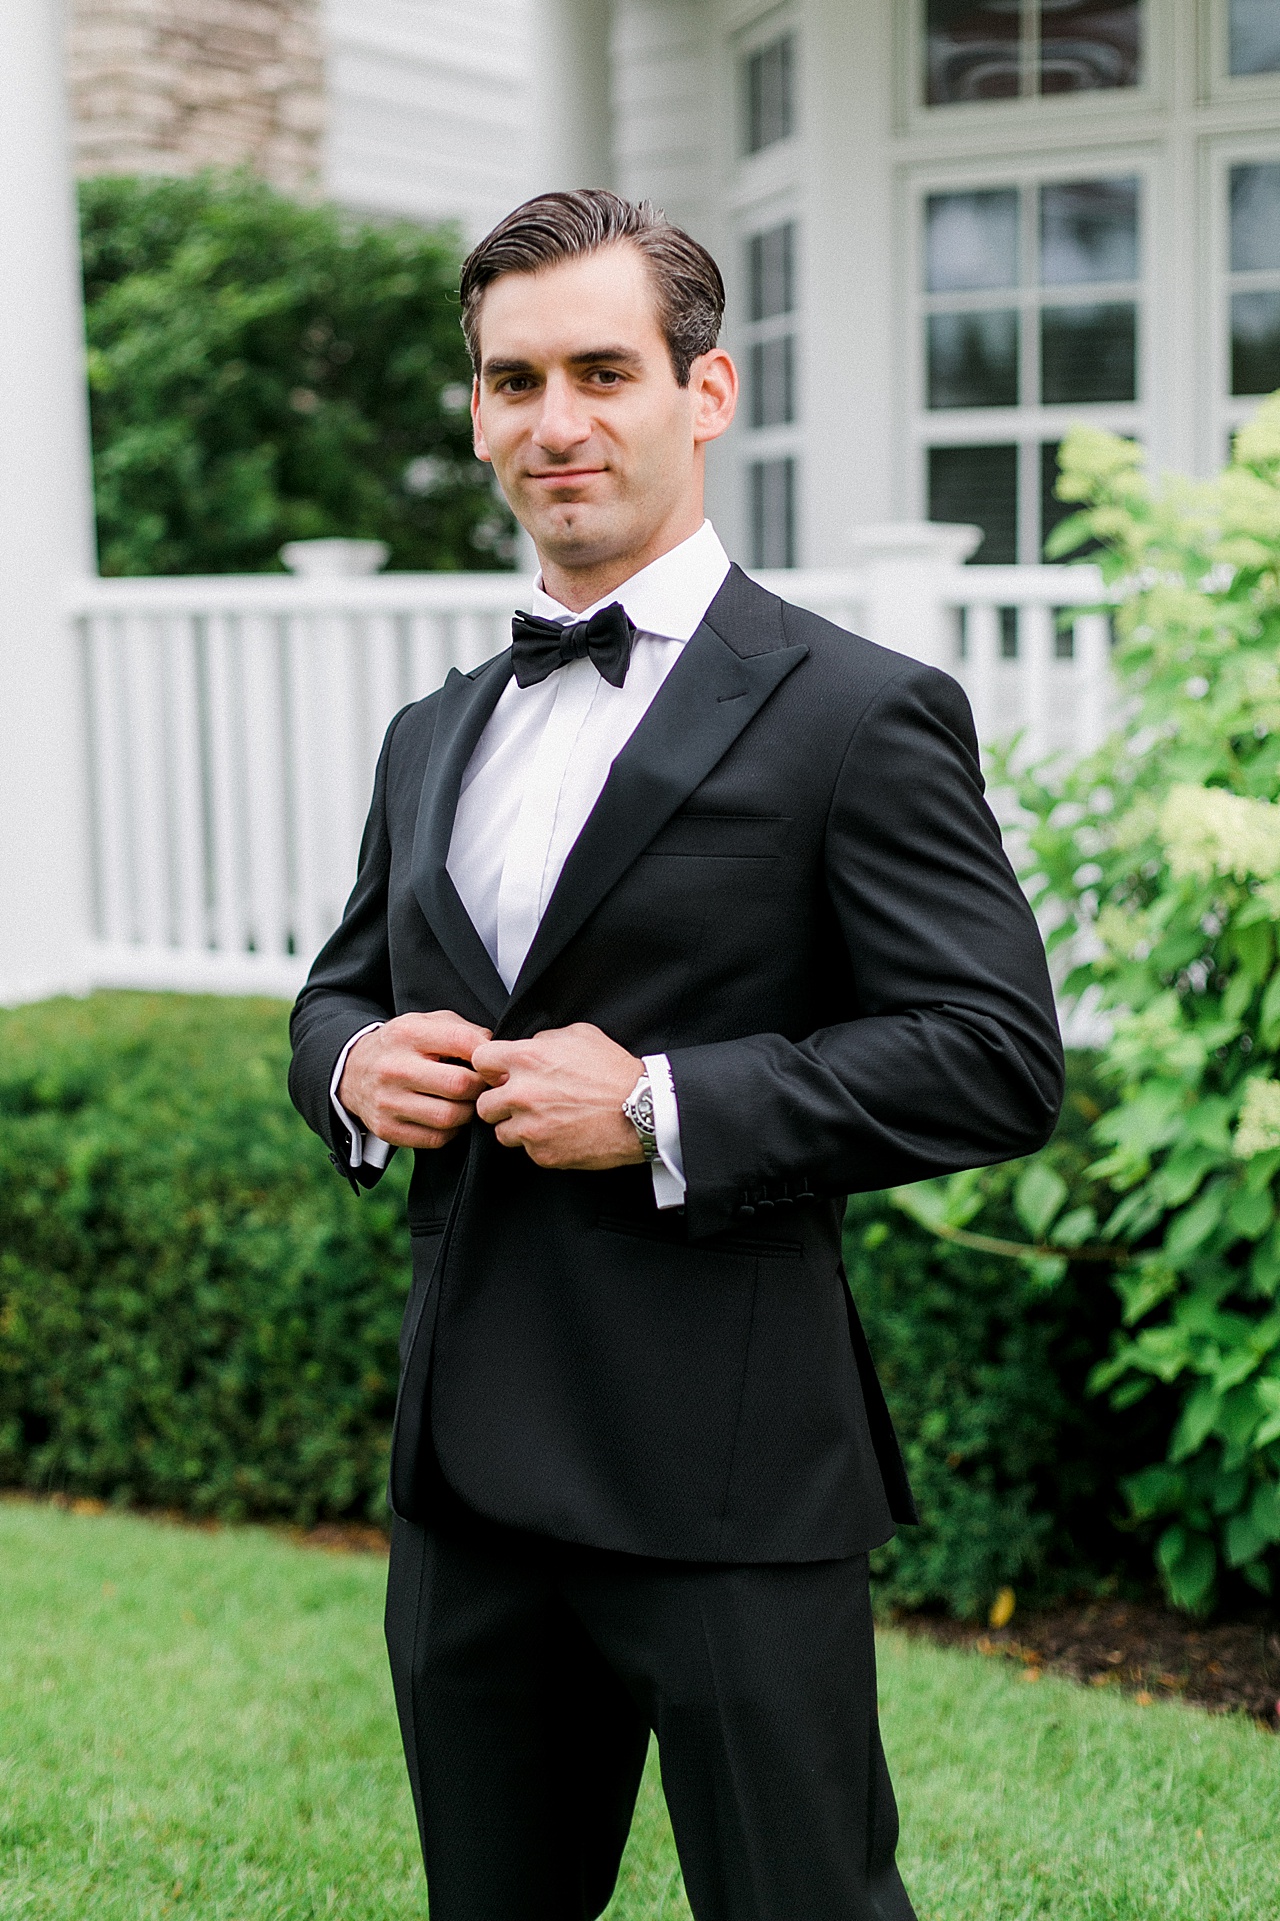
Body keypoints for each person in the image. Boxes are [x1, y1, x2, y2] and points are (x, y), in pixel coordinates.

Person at [288, 188, 1063, 1921]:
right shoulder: (435, 731)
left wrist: (655, 1104)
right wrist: (352, 1070)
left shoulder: (859, 710)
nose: (552, 423)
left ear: (703, 394)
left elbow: (996, 1052)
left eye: (601, 371)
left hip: (727, 1471)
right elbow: (334, 989)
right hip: (468, 1472)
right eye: (509, 381)